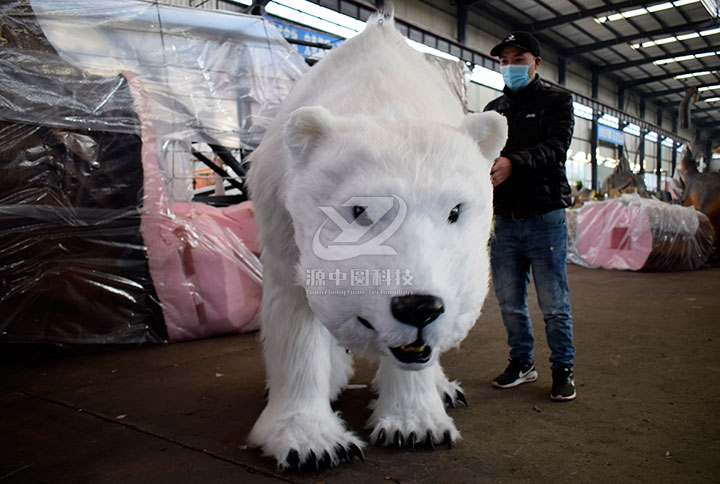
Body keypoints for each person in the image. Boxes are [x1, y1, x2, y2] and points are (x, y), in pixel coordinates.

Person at [483, 31, 577, 401]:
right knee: (509, 301)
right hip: (504, 221)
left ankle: (562, 369)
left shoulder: (558, 101)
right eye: (504, 61)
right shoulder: (493, 110)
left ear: (536, 63)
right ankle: (522, 363)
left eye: (518, 60)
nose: (510, 67)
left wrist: (512, 163)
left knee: (554, 303)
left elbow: (557, 147)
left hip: (545, 218)